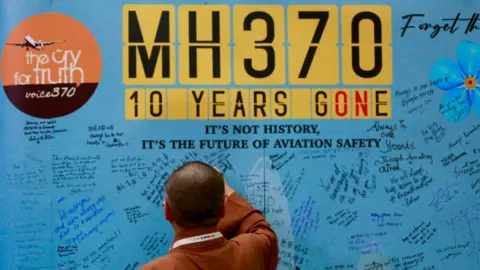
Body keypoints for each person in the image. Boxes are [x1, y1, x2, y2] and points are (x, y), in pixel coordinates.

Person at [139, 161, 279, 270]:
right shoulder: (253, 251)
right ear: (224, 208)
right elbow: (262, 228)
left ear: (167, 212)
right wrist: (228, 192)